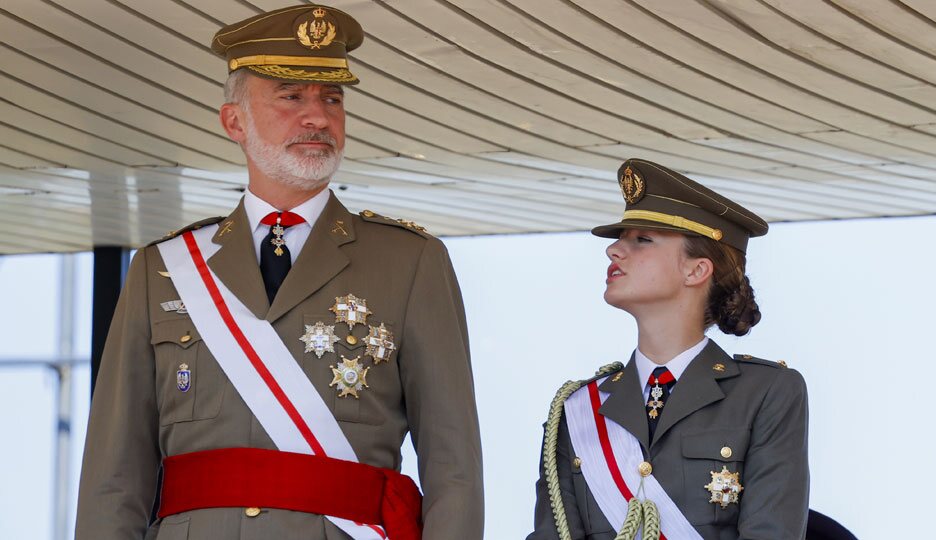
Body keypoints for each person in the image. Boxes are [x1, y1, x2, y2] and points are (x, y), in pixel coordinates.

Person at [74, 5, 483, 540]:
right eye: (291, 97)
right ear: (234, 121)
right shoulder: (164, 270)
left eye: (331, 99)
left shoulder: (411, 262)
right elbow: (114, 475)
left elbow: (453, 466)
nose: (318, 117)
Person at [527, 159, 809, 540]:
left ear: (696, 271)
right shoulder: (578, 408)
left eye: (642, 239)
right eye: (621, 238)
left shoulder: (767, 392)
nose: (613, 250)